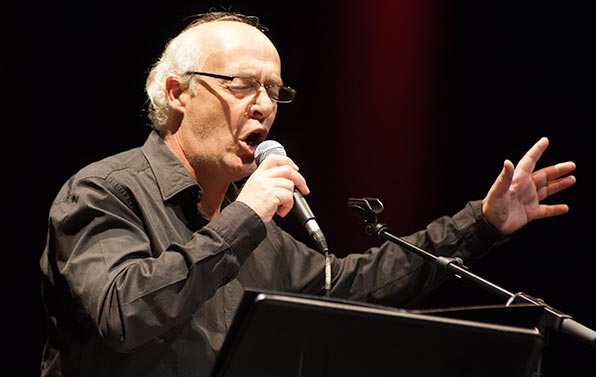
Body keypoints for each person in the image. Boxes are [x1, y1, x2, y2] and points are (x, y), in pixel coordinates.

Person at [39, 10, 577, 377]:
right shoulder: (105, 191)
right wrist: (246, 216)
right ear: (178, 92)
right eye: (242, 85)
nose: (264, 105)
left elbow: (352, 285)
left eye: (274, 91)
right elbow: (123, 311)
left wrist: (481, 223)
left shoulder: (250, 227)